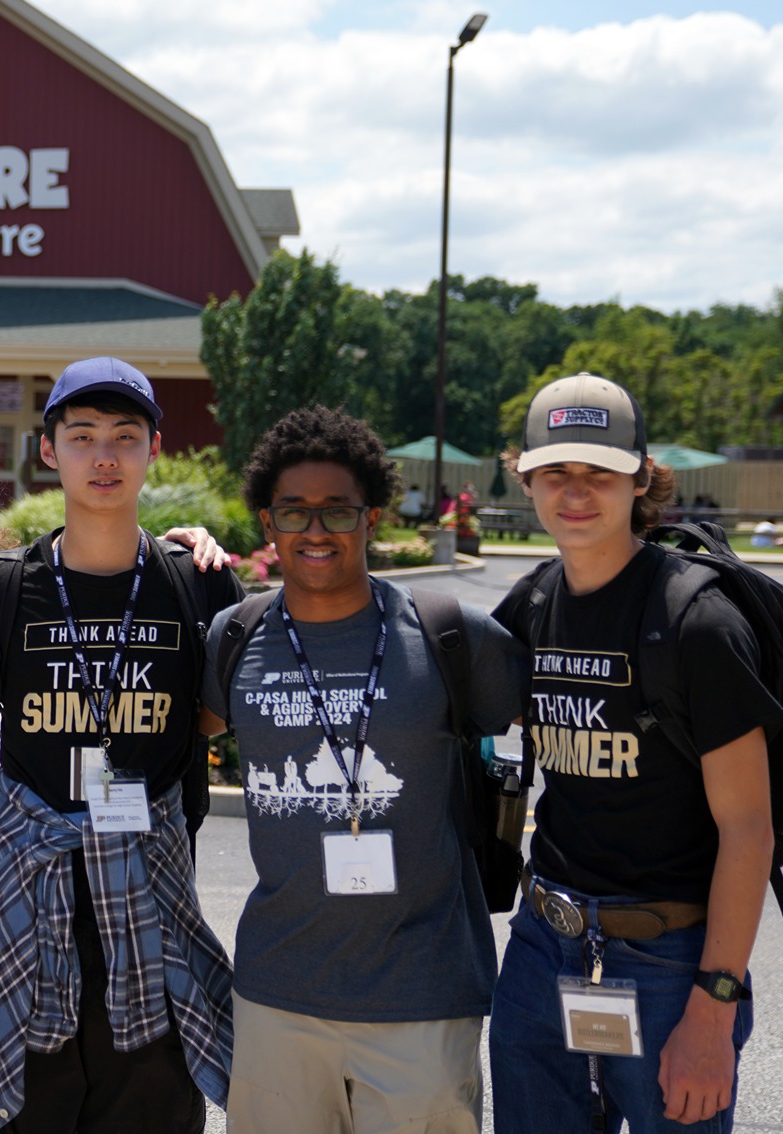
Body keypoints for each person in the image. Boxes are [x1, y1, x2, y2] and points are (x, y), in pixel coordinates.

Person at [0, 357, 244, 1134]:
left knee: (150, 1110)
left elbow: (211, 715)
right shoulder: (3, 585)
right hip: (28, 905)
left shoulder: (196, 583)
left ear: (153, 449)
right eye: (81, 436)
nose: (103, 456)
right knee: (29, 1115)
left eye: (124, 436)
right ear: (49, 452)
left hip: (150, 903)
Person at [203, 407, 528, 1132]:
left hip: (424, 998)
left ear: (371, 518)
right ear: (267, 524)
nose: (315, 530)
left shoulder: (450, 634)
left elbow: (556, 736)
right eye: (295, 511)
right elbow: (163, 740)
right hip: (276, 996)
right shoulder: (236, 637)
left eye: (337, 511)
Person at [489, 373, 779, 1132]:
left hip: (670, 963)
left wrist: (713, 1018)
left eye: (600, 472)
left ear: (641, 477)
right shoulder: (530, 604)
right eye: (556, 470)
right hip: (542, 949)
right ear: (523, 476)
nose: (576, 492)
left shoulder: (698, 625)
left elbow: (750, 827)